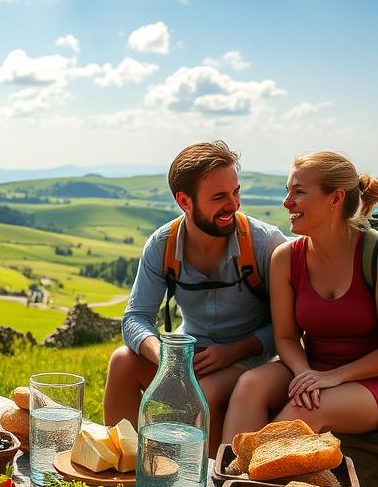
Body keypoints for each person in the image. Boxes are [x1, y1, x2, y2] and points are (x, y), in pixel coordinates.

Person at [221, 151, 378, 442]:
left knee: (309, 409)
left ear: (336, 199)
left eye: (298, 192)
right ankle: (232, 479)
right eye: (287, 191)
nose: (286, 202)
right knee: (250, 384)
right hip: (314, 368)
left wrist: (333, 377)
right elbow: (287, 338)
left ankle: (245, 481)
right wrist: (305, 373)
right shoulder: (286, 258)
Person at [103, 141, 287, 455]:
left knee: (204, 393)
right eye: (219, 197)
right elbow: (135, 318)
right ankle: (122, 469)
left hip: (250, 360)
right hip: (189, 356)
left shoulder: (265, 244)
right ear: (184, 201)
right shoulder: (162, 245)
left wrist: (233, 351)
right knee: (122, 361)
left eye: (235, 192)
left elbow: (288, 328)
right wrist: (164, 358)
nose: (233, 205)